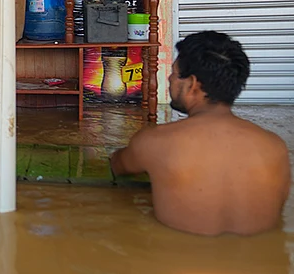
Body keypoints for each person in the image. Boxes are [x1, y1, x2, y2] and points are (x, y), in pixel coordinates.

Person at [110, 31, 290, 236]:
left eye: (175, 73)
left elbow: (116, 166)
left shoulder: (155, 142)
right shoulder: (276, 147)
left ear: (192, 84)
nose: (169, 79)